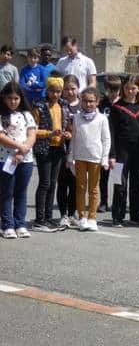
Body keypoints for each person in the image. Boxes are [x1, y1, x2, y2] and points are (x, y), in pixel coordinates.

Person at [65, 86, 111, 232]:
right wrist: (70, 156)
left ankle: (92, 217)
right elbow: (74, 138)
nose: (88, 104)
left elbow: (106, 139)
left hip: (95, 158)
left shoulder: (102, 118)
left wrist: (105, 158)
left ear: (97, 102)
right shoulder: (77, 117)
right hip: (80, 157)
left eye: (91, 101)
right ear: (81, 102)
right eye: (85, 101)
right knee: (80, 187)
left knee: (93, 189)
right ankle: (82, 216)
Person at [108, 75, 139, 226]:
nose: (130, 91)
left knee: (138, 183)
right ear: (123, 89)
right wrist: (112, 154)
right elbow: (112, 132)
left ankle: (136, 215)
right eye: (127, 88)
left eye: (133, 88)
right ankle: (118, 216)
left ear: (138, 89)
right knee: (120, 183)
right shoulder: (117, 108)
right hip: (121, 151)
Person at [31, 77, 69, 232]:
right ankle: (39, 219)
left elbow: (68, 127)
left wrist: (67, 134)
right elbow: (33, 129)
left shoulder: (64, 105)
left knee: (53, 184)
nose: (55, 94)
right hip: (44, 148)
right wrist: (49, 133)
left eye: (58, 91)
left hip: (59, 148)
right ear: (47, 90)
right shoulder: (39, 106)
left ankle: (48, 217)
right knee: (45, 183)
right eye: (52, 91)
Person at [0, 81, 37, 239]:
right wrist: (19, 147)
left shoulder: (27, 115)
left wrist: (23, 150)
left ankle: (20, 224)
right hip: (5, 159)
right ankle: (7, 225)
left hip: (25, 160)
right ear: (4, 98)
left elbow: (32, 135)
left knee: (21, 192)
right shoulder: (2, 115)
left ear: (21, 98)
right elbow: (1, 137)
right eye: (10, 98)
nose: (13, 101)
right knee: (6, 192)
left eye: (16, 98)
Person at [56, 74, 80, 227]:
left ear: (78, 89)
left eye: (73, 88)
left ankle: (72, 213)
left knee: (75, 183)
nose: (70, 92)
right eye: (66, 89)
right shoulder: (58, 104)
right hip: (61, 148)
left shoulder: (83, 104)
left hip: (78, 149)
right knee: (62, 182)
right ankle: (63, 214)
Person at [97, 74, 121, 213]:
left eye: (116, 90)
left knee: (118, 176)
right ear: (106, 89)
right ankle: (103, 201)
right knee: (103, 176)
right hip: (104, 144)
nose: (113, 93)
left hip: (119, 145)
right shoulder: (102, 104)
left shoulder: (122, 104)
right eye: (110, 90)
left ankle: (117, 203)